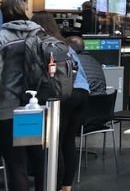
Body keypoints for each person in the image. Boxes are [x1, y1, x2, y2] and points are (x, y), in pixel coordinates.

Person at [31, 12, 91, 191]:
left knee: (55, 142)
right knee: (68, 140)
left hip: (64, 95)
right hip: (82, 92)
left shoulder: (44, 45)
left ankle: (54, 186)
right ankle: (66, 186)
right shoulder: (65, 45)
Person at [0, 0, 46, 191]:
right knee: (39, 158)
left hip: (7, 107)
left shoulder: (2, 37)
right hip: (36, 105)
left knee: (15, 162)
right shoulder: (40, 33)